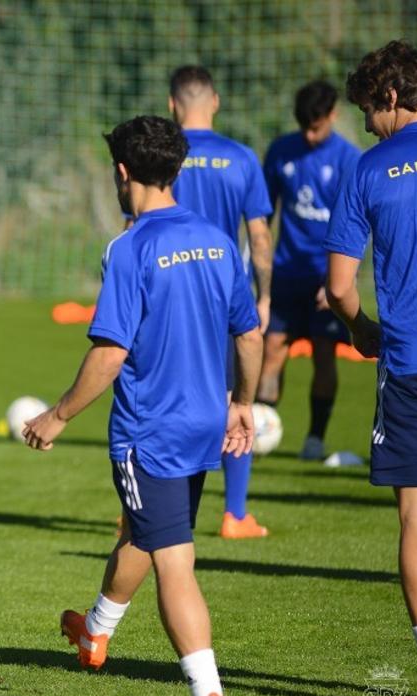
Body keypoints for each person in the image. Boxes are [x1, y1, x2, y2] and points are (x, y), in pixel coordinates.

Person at [24, 115, 262, 696]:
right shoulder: (218, 240)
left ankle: (207, 689)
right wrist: (244, 403)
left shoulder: (130, 248)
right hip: (204, 424)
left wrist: (56, 416)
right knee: (149, 530)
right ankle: (95, 633)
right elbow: (250, 336)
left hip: (149, 434)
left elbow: (110, 354)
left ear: (123, 172)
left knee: (173, 560)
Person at [324, 40, 417, 696]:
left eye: (368, 108)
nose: (365, 123)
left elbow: (338, 285)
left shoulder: (367, 170)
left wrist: (358, 329)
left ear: (391, 98)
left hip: (411, 362)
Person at [169, 65, 274, 539]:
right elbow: (259, 234)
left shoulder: (162, 155)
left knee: (162, 394)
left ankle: (143, 504)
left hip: (169, 293)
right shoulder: (242, 157)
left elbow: (135, 227)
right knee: (235, 398)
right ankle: (234, 514)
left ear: (174, 105)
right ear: (215, 101)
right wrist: (265, 294)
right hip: (225, 291)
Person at [259, 80, 361, 461]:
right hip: (285, 273)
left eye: (315, 126)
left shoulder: (349, 159)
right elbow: (263, 217)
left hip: (325, 276)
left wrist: (338, 280)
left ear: (332, 115)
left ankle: (315, 438)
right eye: (303, 125)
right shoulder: (282, 151)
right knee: (271, 349)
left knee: (323, 354)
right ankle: (259, 428)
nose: (308, 133)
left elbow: (355, 225)